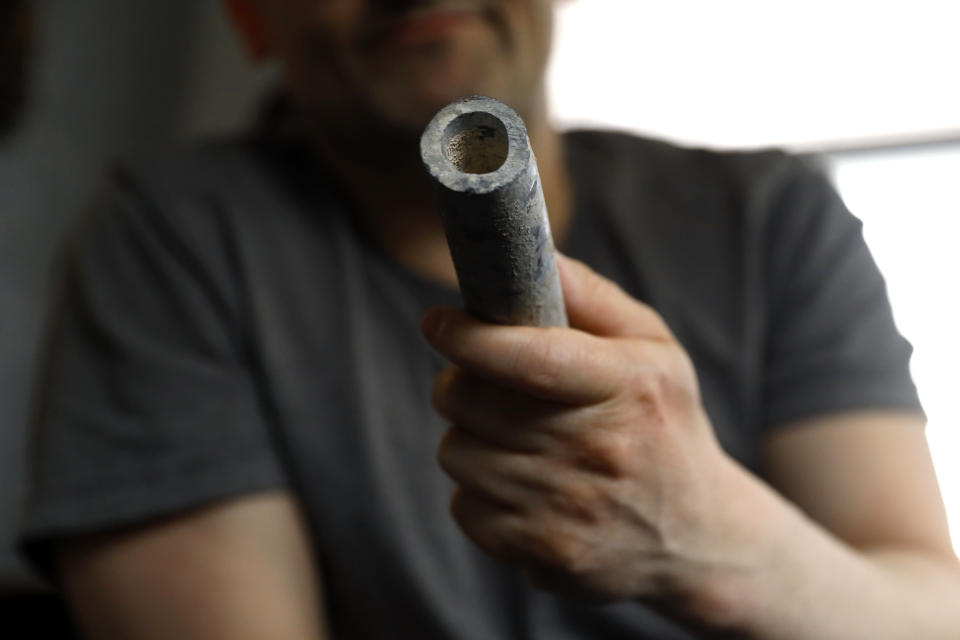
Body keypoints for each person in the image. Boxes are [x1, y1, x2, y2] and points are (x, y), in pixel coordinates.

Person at [19, 1, 960, 637]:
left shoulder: (765, 217)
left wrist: (711, 534)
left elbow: (926, 611)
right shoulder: (176, 236)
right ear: (251, 17)